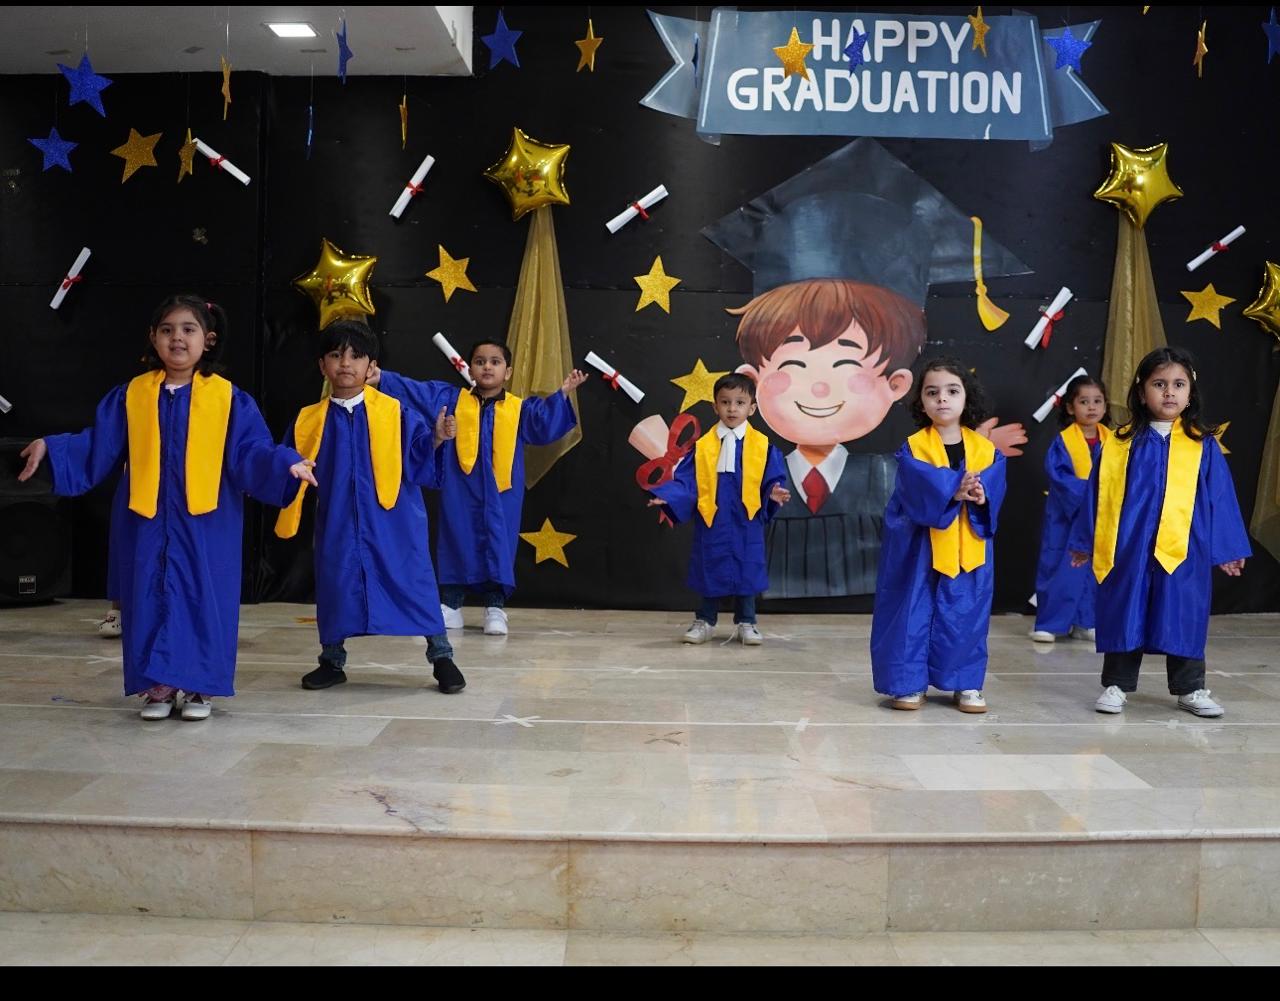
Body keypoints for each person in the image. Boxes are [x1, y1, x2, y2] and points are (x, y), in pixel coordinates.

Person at [18, 295, 314, 721]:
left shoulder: (228, 399)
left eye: (188, 330)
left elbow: (251, 451)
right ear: (153, 338)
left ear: (208, 340)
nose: (178, 338)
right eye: (167, 330)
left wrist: (286, 463)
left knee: (202, 597)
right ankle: (157, 686)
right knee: (147, 596)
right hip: (146, 519)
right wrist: (52, 447)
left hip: (206, 522)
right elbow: (97, 444)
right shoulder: (132, 395)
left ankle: (198, 688)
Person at [275, 321, 465, 695]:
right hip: (338, 521)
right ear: (322, 365)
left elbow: (418, 460)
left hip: (394, 522)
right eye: (336, 355)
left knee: (414, 582)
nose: (345, 363)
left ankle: (441, 656)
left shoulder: (395, 412)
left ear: (371, 366)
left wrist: (437, 437)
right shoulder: (308, 420)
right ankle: (332, 661)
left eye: (356, 356)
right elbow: (287, 464)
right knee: (336, 585)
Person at [1069, 347, 1249, 718]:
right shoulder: (1120, 443)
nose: (1169, 392)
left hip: (1184, 547)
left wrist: (1229, 548)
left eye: (1178, 384)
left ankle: (1191, 688)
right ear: (1141, 393)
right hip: (1129, 546)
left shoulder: (1202, 445)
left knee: (1184, 611)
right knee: (1125, 609)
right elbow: (1096, 496)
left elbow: (1221, 498)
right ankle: (1117, 685)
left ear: (1190, 394)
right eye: (1159, 384)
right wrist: (1085, 541)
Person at [370, 341, 586, 636]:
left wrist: (562, 394)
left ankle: (495, 608)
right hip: (460, 489)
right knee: (455, 538)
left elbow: (543, 422)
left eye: (495, 362)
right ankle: (451, 604)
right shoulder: (452, 399)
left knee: (499, 542)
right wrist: (383, 378)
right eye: (480, 361)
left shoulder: (517, 409)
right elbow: (418, 392)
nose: (487, 367)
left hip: (502, 494)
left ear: (507, 372)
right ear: (469, 369)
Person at [870, 358, 1007, 713]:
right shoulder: (914, 446)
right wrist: (951, 489)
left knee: (966, 613)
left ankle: (965, 682)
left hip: (967, 546)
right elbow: (913, 488)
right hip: (920, 547)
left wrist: (981, 495)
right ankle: (908, 683)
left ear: (966, 398)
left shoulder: (985, 449)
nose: (942, 399)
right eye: (932, 393)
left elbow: (995, 486)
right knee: (912, 612)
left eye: (952, 391)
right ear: (921, 402)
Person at [645, 373, 790, 644]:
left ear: (752, 408)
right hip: (713, 518)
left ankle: (747, 622)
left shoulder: (763, 447)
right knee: (709, 567)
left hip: (746, 520)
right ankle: (705, 621)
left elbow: (772, 479)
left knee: (747, 568)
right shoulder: (702, 448)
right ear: (715, 406)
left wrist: (773, 492)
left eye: (740, 402)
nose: (732, 409)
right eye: (725, 402)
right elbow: (687, 482)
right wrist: (670, 497)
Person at [1030, 375, 1111, 644]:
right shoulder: (1063, 441)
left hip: (1101, 518)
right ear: (1070, 407)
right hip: (1067, 519)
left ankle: (1085, 622)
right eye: (1084, 401)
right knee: (1061, 569)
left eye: (1097, 401)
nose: (1092, 407)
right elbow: (1060, 477)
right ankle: (1049, 623)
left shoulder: (1113, 441)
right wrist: (1092, 494)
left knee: (1094, 571)